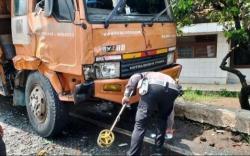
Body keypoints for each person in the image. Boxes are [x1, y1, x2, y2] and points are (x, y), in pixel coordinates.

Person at [122, 72, 181, 156]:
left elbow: (134, 77)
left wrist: (126, 95)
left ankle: (133, 154)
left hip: (154, 87)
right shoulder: (162, 76)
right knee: (162, 119)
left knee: (140, 125)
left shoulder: (143, 75)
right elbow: (170, 112)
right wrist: (169, 127)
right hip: (173, 89)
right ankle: (158, 152)